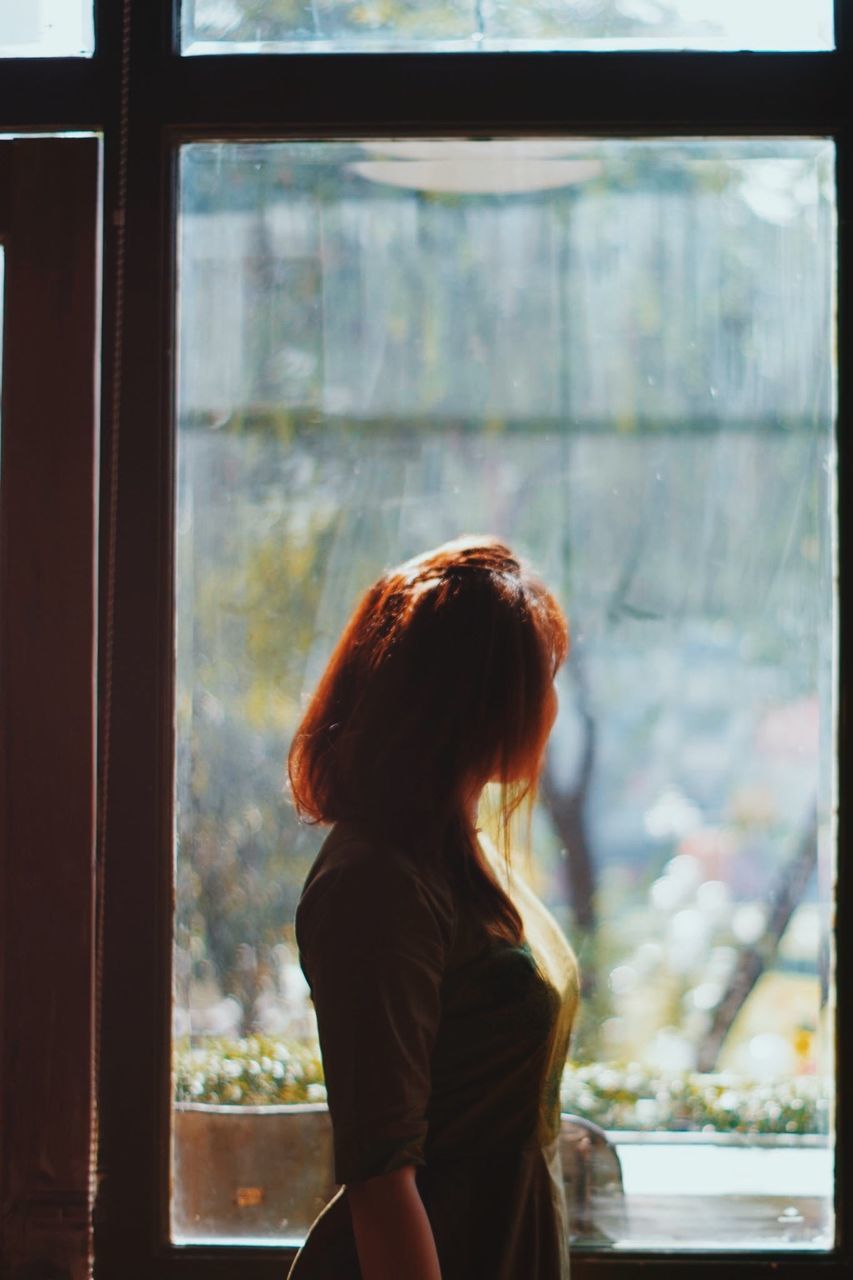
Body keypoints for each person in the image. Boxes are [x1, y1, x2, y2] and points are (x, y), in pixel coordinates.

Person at [285, 535, 580, 1280]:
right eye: (537, 680)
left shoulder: (458, 852)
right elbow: (382, 1180)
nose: (549, 706)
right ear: (473, 704)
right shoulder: (378, 886)